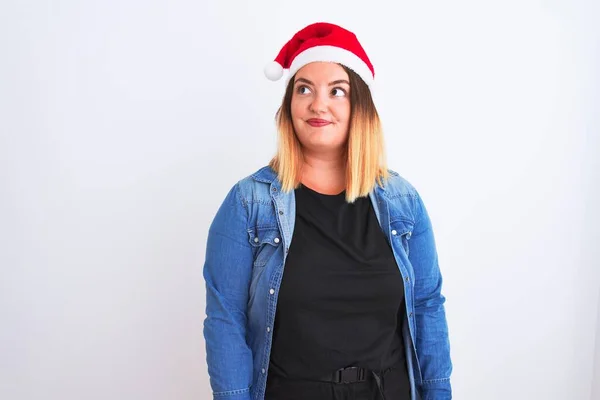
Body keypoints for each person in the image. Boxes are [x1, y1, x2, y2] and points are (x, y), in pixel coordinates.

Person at [202, 22, 452, 400]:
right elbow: (226, 321)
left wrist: (438, 393)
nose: (318, 104)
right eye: (304, 89)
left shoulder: (402, 201)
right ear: (289, 105)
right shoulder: (248, 203)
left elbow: (427, 306)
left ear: (360, 108)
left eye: (338, 91)